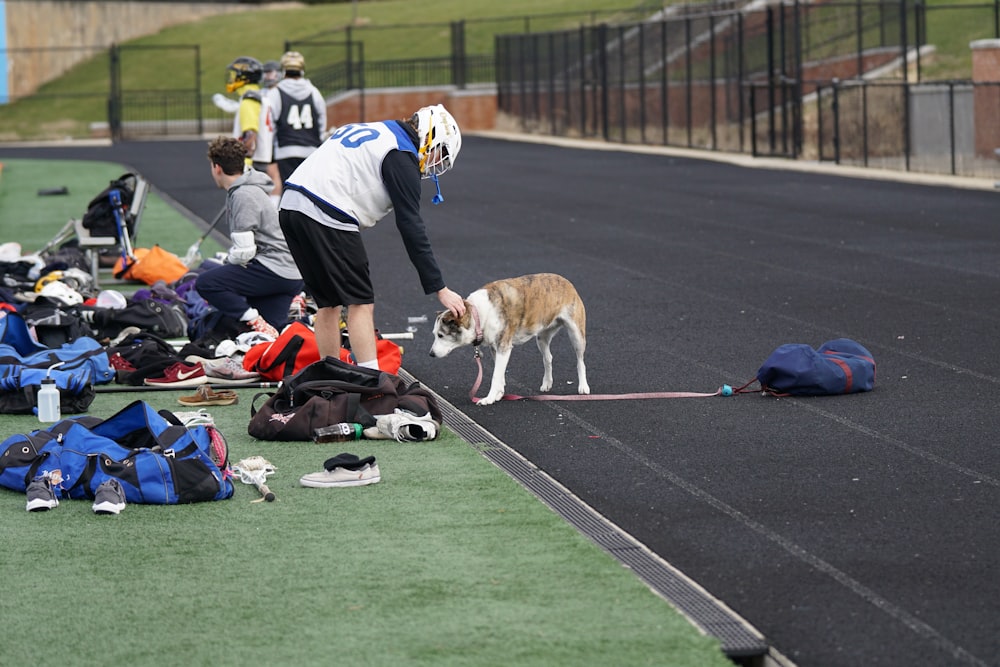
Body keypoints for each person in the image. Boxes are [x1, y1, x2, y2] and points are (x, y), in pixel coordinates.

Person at [278, 104, 465, 370]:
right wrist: (440, 288)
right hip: (326, 210)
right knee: (361, 302)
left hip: (291, 206)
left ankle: (330, 376)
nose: (436, 162)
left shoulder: (380, 130)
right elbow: (411, 226)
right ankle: (371, 382)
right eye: (440, 151)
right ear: (430, 135)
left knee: (328, 303)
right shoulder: (400, 154)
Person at [196, 136, 303, 339]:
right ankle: (280, 315)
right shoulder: (251, 188)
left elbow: (244, 252)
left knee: (207, 282)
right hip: (291, 273)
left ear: (216, 168)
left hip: (275, 270)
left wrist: (226, 262)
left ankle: (254, 319)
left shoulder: (243, 195)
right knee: (271, 337)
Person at [265, 51, 326, 201]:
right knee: (308, 193)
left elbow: (270, 124)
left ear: (283, 70)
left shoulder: (275, 93)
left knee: (288, 193)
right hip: (310, 151)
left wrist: (269, 151)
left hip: (285, 150)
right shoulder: (314, 92)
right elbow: (321, 122)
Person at [224, 56, 273, 172]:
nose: (232, 77)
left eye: (234, 74)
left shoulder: (249, 98)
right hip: (259, 160)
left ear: (244, 77)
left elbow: (250, 134)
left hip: (251, 162)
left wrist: (243, 164)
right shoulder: (258, 95)